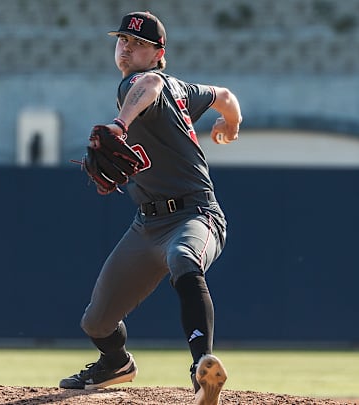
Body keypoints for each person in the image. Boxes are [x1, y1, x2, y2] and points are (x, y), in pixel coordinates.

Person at [59, 11, 242, 405]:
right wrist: (232, 122)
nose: (126, 47)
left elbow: (150, 84)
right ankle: (115, 364)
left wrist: (121, 124)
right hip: (147, 225)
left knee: (184, 258)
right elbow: (224, 96)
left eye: (138, 43)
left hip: (196, 215)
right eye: (122, 39)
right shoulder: (183, 91)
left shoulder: (143, 82)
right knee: (96, 321)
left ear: (159, 53)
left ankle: (202, 369)